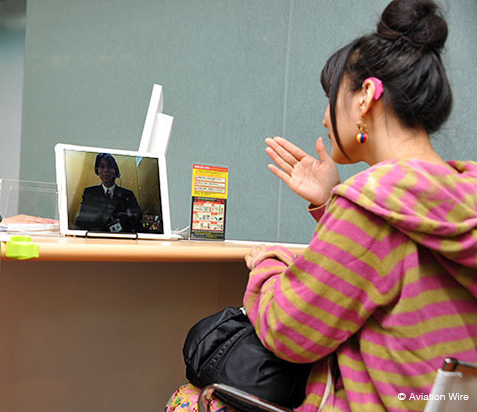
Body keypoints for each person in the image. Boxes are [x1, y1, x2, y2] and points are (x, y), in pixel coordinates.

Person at [166, 0, 477, 411]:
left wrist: (267, 265)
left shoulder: (369, 206)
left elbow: (290, 330)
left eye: (332, 97)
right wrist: (332, 202)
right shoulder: (459, 193)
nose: (325, 116)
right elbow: (394, 277)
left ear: (365, 96)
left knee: (187, 400)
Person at [75, 153, 142, 233]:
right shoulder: (89, 193)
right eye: (102, 166)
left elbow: (137, 220)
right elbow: (81, 221)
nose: (106, 170)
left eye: (109, 166)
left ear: (115, 171)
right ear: (97, 170)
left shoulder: (128, 194)